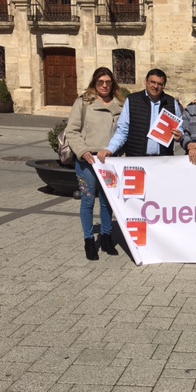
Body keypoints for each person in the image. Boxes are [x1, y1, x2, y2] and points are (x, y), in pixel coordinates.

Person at [65, 67, 125, 261]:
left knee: (108, 202)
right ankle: (89, 241)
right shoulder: (83, 103)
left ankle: (107, 238)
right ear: (95, 83)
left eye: (108, 82)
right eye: (101, 82)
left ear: (113, 84)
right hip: (87, 161)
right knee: (88, 201)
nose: (105, 86)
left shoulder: (121, 104)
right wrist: (82, 152)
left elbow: (124, 132)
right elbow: (72, 131)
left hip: (110, 160)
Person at [98, 68, 182, 162]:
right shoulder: (132, 101)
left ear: (164, 86)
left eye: (160, 84)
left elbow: (180, 128)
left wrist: (179, 135)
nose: (155, 86)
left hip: (163, 160)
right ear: (146, 81)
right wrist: (110, 149)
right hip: (137, 159)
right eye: (152, 82)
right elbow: (122, 131)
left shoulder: (171, 103)